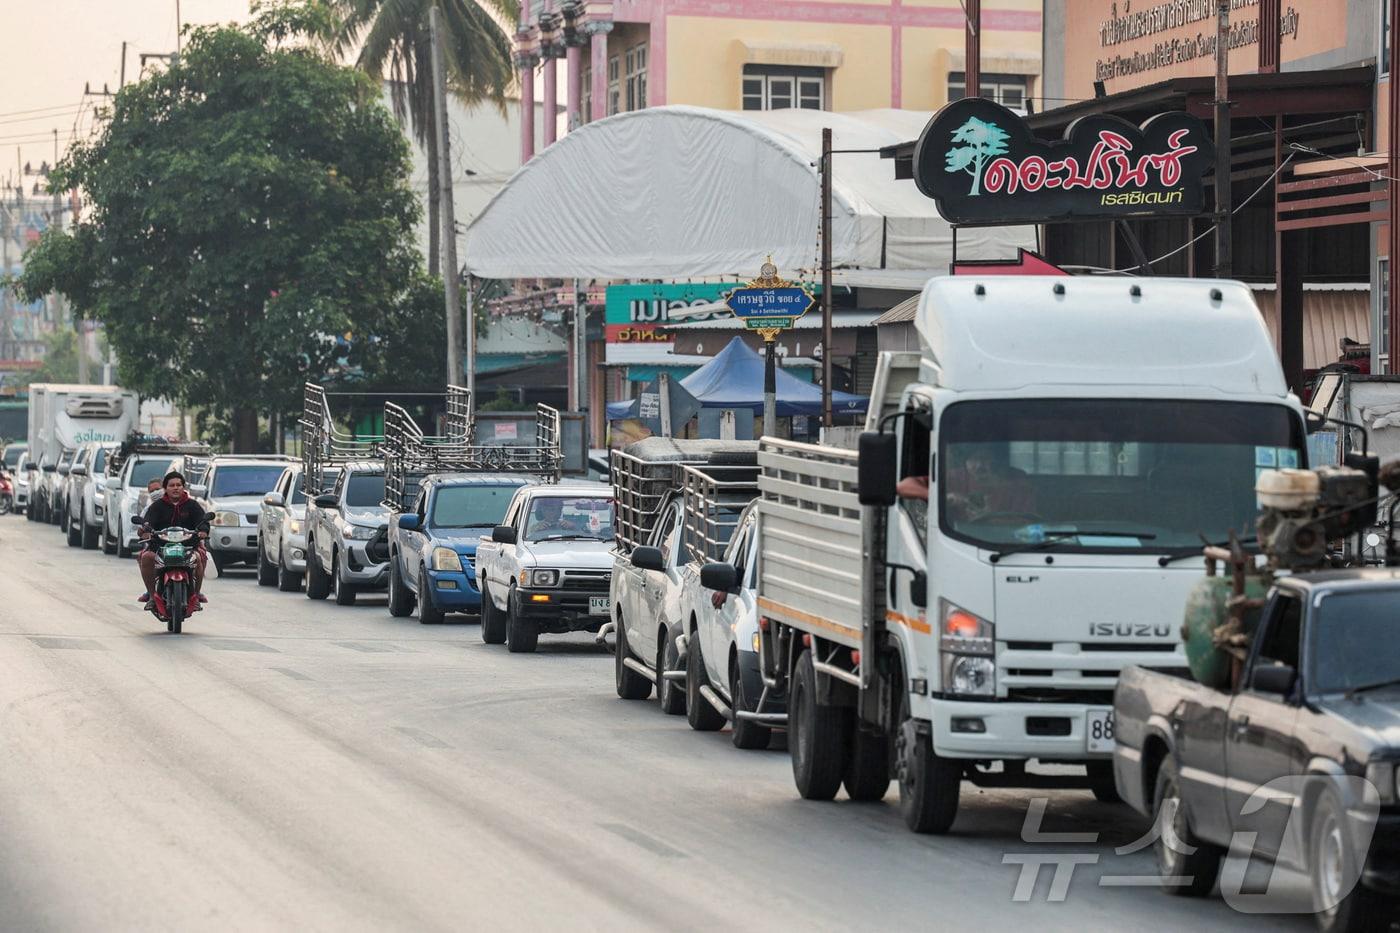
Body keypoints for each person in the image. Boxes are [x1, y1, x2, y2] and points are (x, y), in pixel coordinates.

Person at [137, 471, 209, 606]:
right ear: (166, 488)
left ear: (183, 487)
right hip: (160, 547)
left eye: (178, 485)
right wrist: (145, 531)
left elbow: (202, 522)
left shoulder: (193, 505)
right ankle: (153, 597)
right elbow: (147, 523)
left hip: (189, 547)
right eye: (171, 485)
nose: (175, 488)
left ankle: (195, 595)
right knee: (146, 557)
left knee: (199, 558)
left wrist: (203, 531)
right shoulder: (156, 506)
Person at [946, 444, 1036, 522]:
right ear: (965, 460)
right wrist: (950, 497)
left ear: (997, 460)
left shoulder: (1017, 479)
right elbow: (935, 504)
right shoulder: (953, 477)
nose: (979, 465)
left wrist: (991, 517)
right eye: (973, 459)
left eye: (986, 458)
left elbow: (1027, 520)